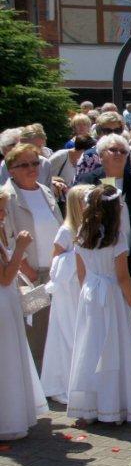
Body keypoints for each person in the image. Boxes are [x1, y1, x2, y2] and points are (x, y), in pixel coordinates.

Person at [66, 185, 131, 425]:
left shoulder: (82, 233)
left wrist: (87, 294)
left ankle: (89, 407)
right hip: (112, 297)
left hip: (90, 294)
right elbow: (123, 277)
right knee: (113, 348)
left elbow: (81, 273)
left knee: (90, 347)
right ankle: (113, 406)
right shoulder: (116, 237)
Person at [79, 134, 131, 338]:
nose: (118, 154)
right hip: (102, 255)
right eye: (113, 150)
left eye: (123, 151)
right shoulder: (88, 181)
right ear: (101, 155)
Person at [2, 143, 63, 369]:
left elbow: (59, 226)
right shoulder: (7, 197)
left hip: (54, 272)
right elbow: (8, 238)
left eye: (35, 163)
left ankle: (53, 377)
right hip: (30, 276)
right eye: (24, 165)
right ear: (11, 170)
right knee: (34, 333)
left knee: (55, 331)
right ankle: (36, 380)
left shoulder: (45, 190)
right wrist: (27, 269)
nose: (32, 168)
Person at [0, 188, 47, 440]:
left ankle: (14, 412)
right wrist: (20, 249)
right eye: (0, 210)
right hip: (2, 303)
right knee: (6, 359)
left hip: (7, 301)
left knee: (12, 356)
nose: (3, 215)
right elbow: (5, 277)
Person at [40, 184, 91, 405]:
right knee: (67, 333)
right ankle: (62, 383)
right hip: (68, 291)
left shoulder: (90, 229)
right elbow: (56, 261)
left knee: (82, 334)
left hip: (83, 287)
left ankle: (82, 381)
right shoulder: (66, 231)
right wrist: (75, 259)